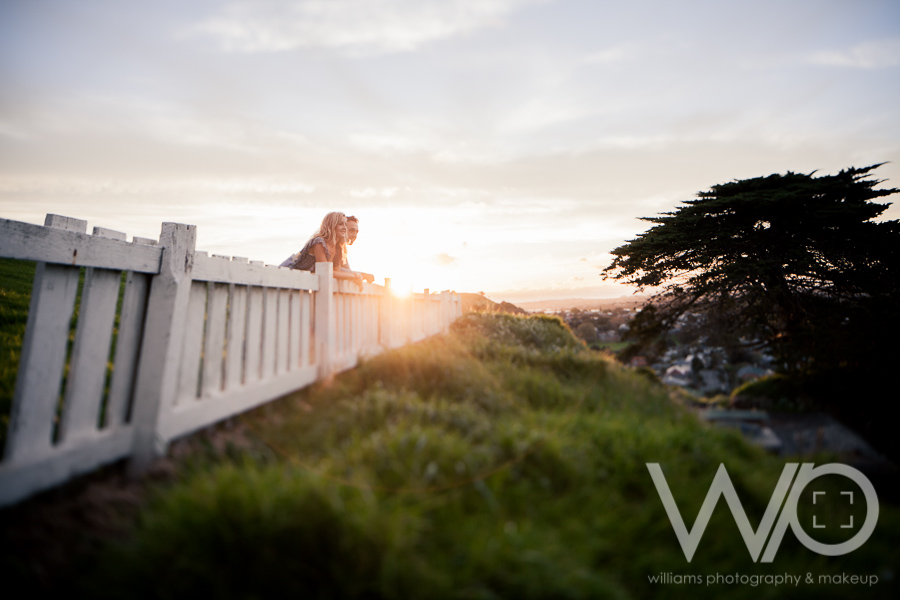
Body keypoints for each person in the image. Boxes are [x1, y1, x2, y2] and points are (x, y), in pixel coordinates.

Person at [280, 212, 366, 289]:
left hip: (301, 280)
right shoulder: (319, 243)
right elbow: (325, 271)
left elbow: (336, 271)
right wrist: (353, 276)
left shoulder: (338, 248)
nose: (344, 228)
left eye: (345, 224)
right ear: (331, 225)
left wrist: (357, 276)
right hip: (287, 271)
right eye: (340, 224)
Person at [341, 215, 374, 283]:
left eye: (356, 232)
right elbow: (334, 270)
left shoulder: (343, 249)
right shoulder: (333, 247)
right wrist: (363, 275)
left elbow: (347, 270)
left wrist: (362, 275)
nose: (355, 235)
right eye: (351, 231)